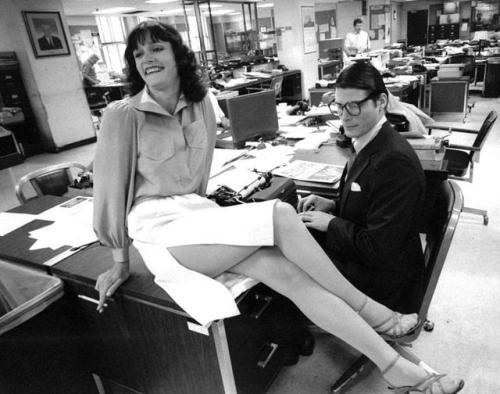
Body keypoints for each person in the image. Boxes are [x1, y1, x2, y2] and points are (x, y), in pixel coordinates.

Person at [93, 21, 464, 393]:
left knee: (288, 274)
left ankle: (395, 366)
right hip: (157, 227)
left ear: (177, 54)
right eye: (138, 53)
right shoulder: (122, 115)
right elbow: (110, 190)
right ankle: (370, 310)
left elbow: (198, 180)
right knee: (281, 215)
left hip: (195, 214)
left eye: (156, 48)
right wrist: (119, 261)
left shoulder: (201, 105)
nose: (147, 59)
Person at [299, 62, 426, 313]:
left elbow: (378, 250)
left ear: (381, 102)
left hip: (385, 282)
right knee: (295, 240)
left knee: (289, 262)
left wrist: (331, 223)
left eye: (354, 106)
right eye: (339, 106)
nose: (345, 116)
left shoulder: (393, 161)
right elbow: (373, 205)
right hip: (375, 263)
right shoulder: (368, 142)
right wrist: (333, 206)